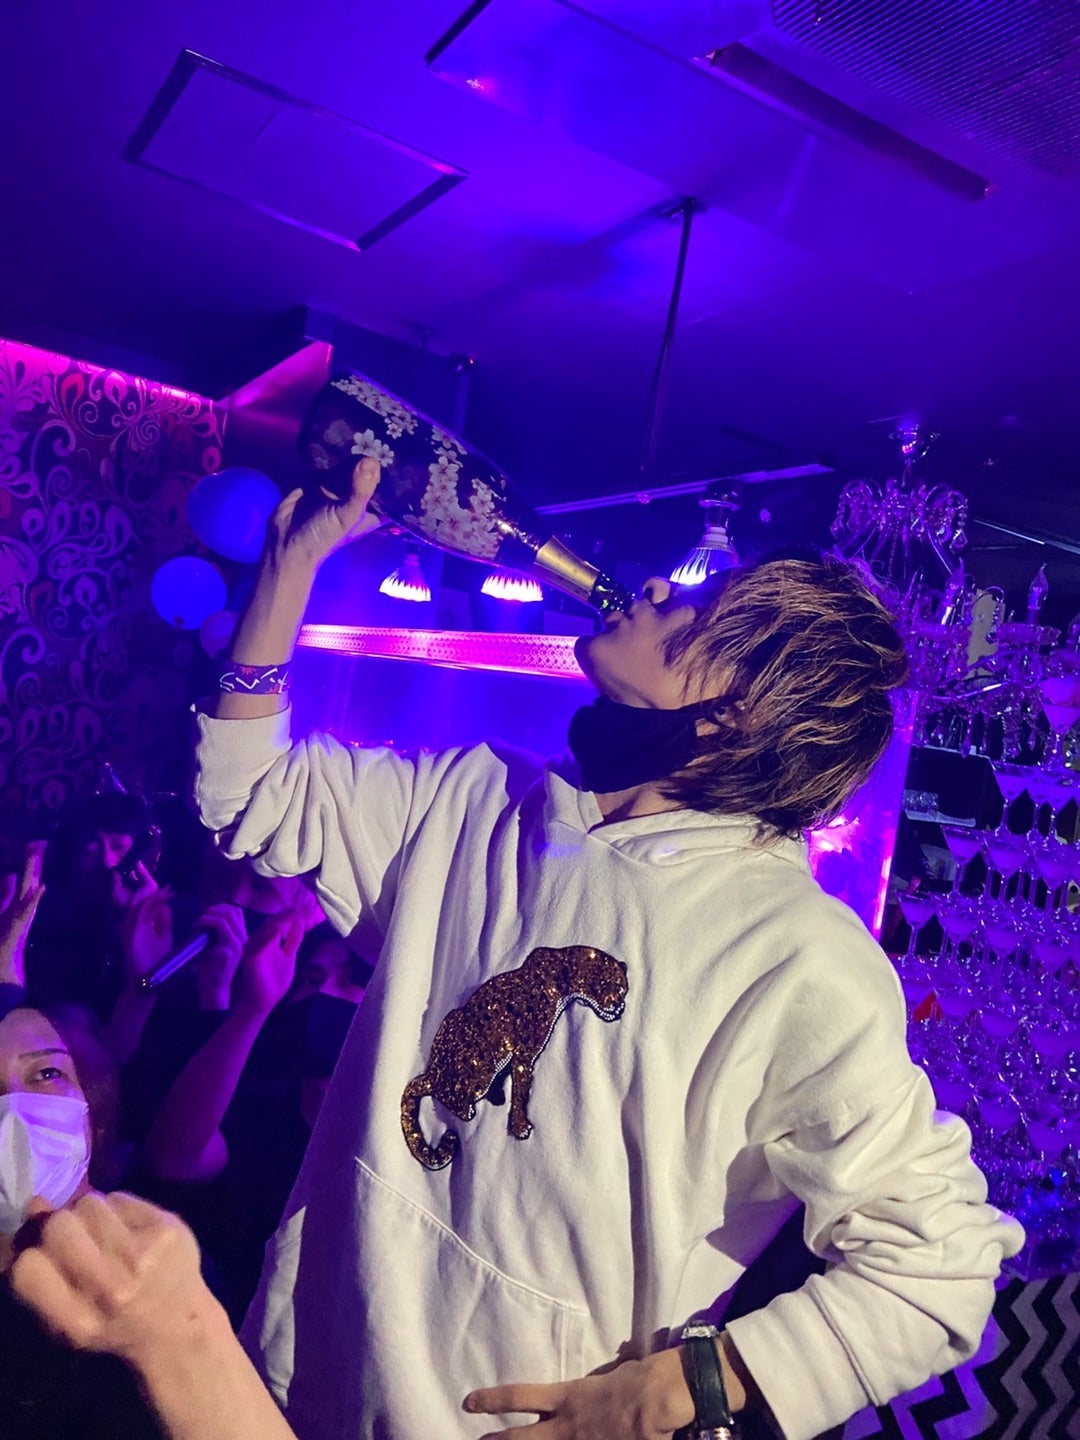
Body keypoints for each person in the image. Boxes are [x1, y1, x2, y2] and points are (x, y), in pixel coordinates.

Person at [192, 458, 1023, 1440]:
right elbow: (251, 792)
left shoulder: (797, 955)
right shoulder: (477, 800)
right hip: (292, 1388)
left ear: (738, 714)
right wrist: (288, 566)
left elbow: (939, 1266)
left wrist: (678, 1390)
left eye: (704, 614)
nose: (662, 586)